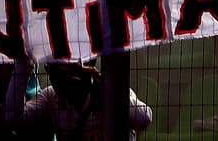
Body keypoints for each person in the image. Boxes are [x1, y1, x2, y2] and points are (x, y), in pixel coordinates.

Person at [14, 60, 152, 141]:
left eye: (62, 74)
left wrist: (105, 88)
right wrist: (21, 68)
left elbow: (144, 119)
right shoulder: (51, 96)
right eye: (52, 74)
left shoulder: (110, 92)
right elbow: (14, 118)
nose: (54, 80)